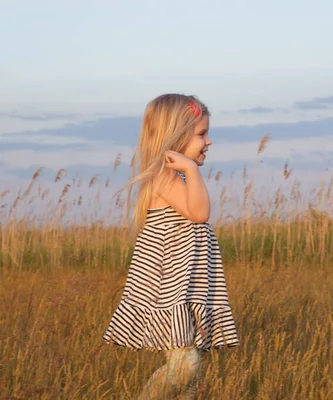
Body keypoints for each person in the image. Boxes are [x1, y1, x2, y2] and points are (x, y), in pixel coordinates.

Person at [102, 93, 239, 399]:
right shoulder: (163, 177)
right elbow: (200, 213)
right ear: (176, 136)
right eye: (201, 134)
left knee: (191, 375)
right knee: (186, 364)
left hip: (187, 286)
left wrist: (189, 172)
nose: (209, 142)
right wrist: (191, 169)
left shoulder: (174, 177)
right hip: (168, 290)